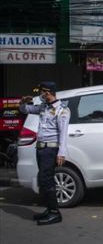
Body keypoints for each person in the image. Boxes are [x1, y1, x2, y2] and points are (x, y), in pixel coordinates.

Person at [19, 82, 70, 226]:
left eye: (42, 91)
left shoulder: (62, 110)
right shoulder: (43, 107)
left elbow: (63, 134)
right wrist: (23, 102)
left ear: (48, 92)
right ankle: (49, 210)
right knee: (45, 180)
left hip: (50, 149)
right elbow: (24, 109)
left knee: (46, 179)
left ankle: (54, 213)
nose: (40, 94)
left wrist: (61, 153)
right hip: (41, 149)